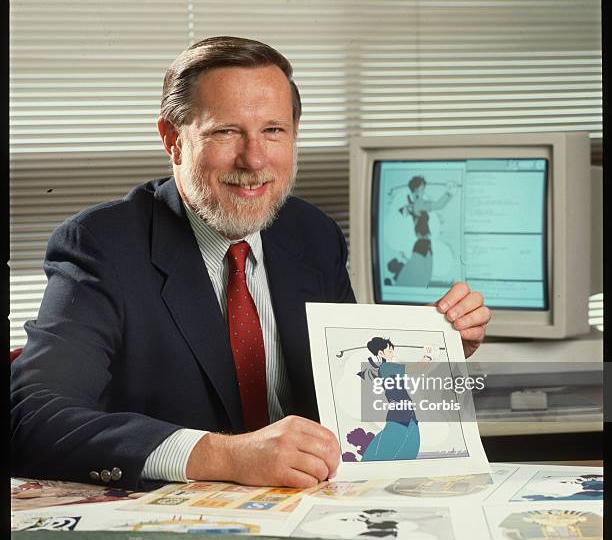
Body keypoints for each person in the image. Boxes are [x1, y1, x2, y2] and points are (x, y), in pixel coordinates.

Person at [10, 36, 491, 491]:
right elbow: (34, 417)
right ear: (172, 139)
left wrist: (433, 352)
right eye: (226, 132)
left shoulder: (313, 235)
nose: (254, 159)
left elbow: (350, 401)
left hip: (313, 513)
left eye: (273, 131)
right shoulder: (100, 245)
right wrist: (227, 456)